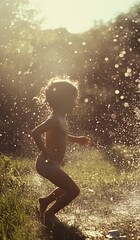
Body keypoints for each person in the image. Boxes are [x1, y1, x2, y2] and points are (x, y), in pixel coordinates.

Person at [32, 78, 91, 224]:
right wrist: (45, 152)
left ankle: (45, 201)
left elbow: (62, 136)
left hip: (52, 163)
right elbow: (36, 132)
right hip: (46, 164)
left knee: (66, 187)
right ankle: (49, 216)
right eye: (73, 99)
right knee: (73, 191)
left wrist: (77, 139)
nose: (75, 103)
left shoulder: (61, 117)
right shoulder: (55, 119)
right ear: (62, 100)